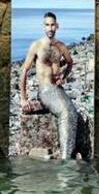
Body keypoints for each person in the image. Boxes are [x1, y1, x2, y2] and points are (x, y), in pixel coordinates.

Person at [19, 12, 79, 159]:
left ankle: (67, 155)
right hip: (45, 90)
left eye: (52, 25)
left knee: (73, 111)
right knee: (67, 112)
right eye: (47, 25)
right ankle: (66, 160)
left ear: (57, 26)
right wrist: (23, 98)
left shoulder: (61, 46)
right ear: (43, 26)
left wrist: (63, 77)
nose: (50, 28)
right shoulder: (37, 46)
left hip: (57, 89)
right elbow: (24, 71)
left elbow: (70, 62)